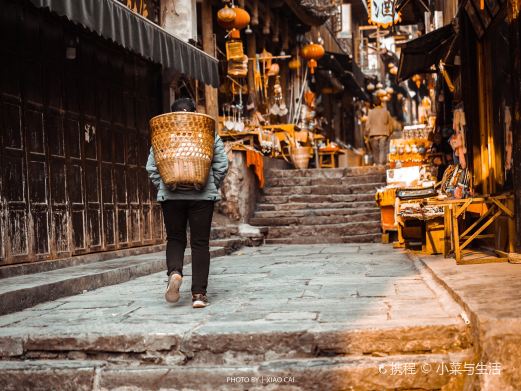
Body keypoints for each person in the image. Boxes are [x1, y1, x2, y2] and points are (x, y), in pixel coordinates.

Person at [146, 97, 228, 308]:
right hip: (202, 196)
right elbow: (221, 164)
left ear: (173, 115)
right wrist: (209, 183)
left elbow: (152, 168)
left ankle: (175, 272)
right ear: (193, 114)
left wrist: (166, 185)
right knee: (200, 243)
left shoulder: (164, 135)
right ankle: (199, 294)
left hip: (172, 197)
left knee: (175, 238)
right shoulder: (207, 133)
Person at [366, 98, 393, 166]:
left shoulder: (370, 112)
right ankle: (381, 164)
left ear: (374, 104)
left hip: (373, 134)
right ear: (381, 103)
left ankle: (377, 164)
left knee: (375, 150)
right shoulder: (386, 112)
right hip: (383, 133)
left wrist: (366, 133)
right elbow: (390, 124)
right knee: (382, 149)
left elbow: (367, 124)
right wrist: (390, 131)